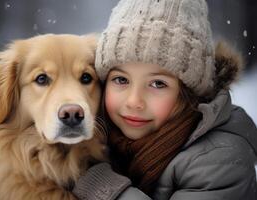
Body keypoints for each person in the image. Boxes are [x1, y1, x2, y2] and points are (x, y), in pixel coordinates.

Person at [72, 0, 257, 199]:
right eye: (121, 79)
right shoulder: (100, 137)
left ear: (188, 93)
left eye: (158, 84)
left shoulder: (219, 160)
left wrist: (103, 187)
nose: (134, 101)